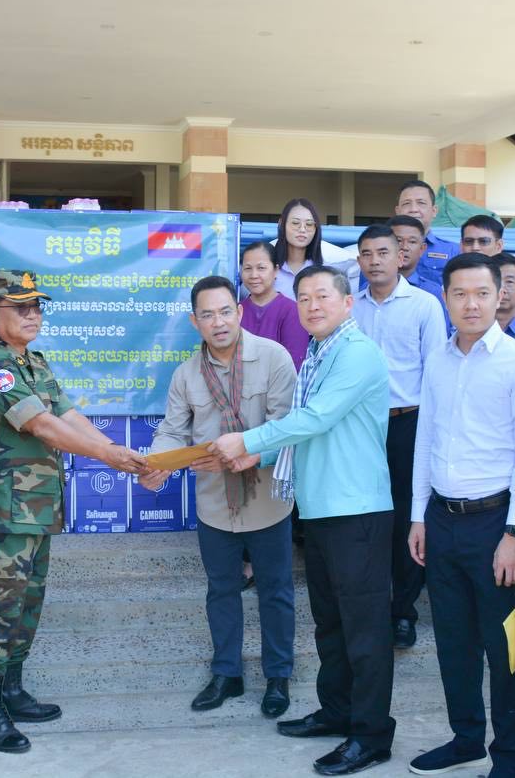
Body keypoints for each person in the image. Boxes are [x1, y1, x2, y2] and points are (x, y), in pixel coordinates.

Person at [213, 265, 396, 776]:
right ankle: (337, 712)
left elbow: (316, 419)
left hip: (357, 511)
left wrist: (248, 440)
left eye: (323, 296)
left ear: (347, 303)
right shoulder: (317, 354)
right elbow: (311, 436)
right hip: (320, 510)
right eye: (304, 298)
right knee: (331, 625)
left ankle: (371, 735)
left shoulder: (356, 353)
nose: (312, 306)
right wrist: (261, 456)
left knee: (364, 631)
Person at [0, 270, 147, 754]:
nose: (32, 315)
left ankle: (11, 690)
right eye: (20, 307)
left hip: (39, 507)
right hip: (5, 511)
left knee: (26, 606)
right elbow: (41, 425)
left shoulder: (33, 362)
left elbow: (68, 415)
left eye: (36, 307)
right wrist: (108, 456)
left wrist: (116, 450)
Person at [406, 252, 515, 777]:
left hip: (496, 523)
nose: (471, 304)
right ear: (445, 298)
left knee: (504, 647)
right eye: (460, 294)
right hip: (442, 518)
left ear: (500, 296)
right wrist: (419, 515)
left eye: (482, 293)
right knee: (453, 641)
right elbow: (425, 437)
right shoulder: (438, 360)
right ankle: (465, 738)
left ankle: (509, 757)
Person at [143, 275, 298, 717]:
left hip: (268, 501)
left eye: (226, 311)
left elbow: (287, 430)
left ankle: (278, 676)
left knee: (276, 591)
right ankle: (227, 673)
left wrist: (241, 456)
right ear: (195, 322)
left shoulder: (274, 358)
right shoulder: (186, 374)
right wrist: (156, 464)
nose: (219, 322)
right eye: (208, 315)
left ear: (240, 312)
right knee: (221, 590)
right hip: (214, 504)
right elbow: (173, 431)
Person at [351, 224, 446, 650]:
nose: (375, 261)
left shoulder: (425, 305)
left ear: (400, 256)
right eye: (367, 254)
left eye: (383, 252)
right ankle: (371, 606)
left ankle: (403, 611)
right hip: (360, 427)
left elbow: (436, 373)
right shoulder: (351, 307)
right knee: (367, 516)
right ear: (359, 260)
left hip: (409, 422)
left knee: (408, 517)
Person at [240, 240, 310, 370]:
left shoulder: (293, 311)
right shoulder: (235, 311)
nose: (254, 275)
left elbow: (294, 365)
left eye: (261, 268)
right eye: (248, 268)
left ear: (276, 270)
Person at [270, 198, 358, 298]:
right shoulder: (268, 268)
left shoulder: (327, 268)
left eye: (309, 224)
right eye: (295, 223)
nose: (302, 229)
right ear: (281, 223)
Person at [393, 180, 460, 287]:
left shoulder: (453, 251)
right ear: (398, 211)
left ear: (434, 211)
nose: (413, 209)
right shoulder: (382, 248)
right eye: (406, 203)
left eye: (421, 203)